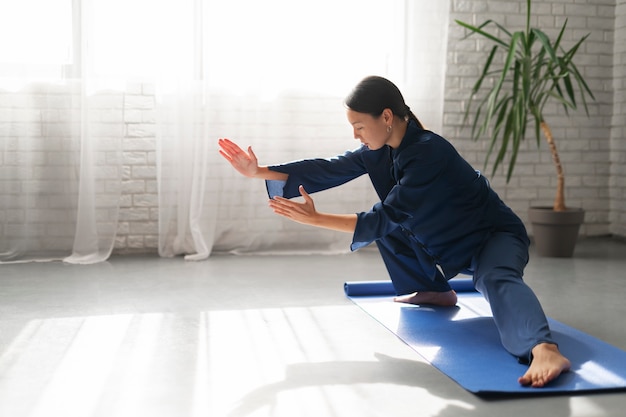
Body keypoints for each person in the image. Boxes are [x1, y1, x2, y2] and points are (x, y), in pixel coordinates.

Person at [217, 75, 571, 388]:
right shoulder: (380, 148)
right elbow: (329, 169)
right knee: (388, 231)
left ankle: (544, 349)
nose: (355, 134)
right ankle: (435, 290)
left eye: (358, 125)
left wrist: (316, 219)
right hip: (446, 241)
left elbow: (386, 215)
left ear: (386, 117)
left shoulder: (429, 152)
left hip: (492, 237)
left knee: (495, 278)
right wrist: (258, 171)